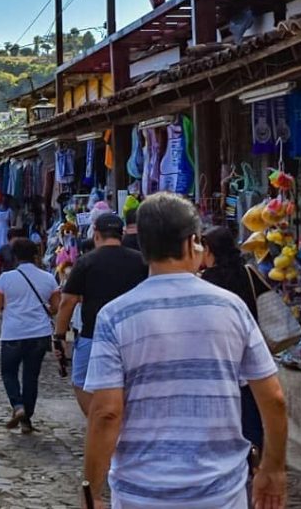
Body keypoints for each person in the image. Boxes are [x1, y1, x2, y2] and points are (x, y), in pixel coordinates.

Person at [82, 193, 287, 509]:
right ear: (192, 243)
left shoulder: (115, 316)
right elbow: (273, 398)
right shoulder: (231, 308)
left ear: (144, 248)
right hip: (220, 494)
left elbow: (106, 412)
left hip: (141, 494)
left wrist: (92, 491)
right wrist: (272, 467)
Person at [54, 213, 147, 416]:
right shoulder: (140, 261)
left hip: (93, 334)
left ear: (96, 235)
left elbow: (67, 302)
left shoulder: (85, 262)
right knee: (130, 384)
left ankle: (98, 420)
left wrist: (59, 336)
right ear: (121, 234)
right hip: (133, 335)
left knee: (81, 381)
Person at [201, 225, 266, 452]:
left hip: (219, 355)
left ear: (210, 250)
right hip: (248, 351)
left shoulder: (206, 281)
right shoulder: (248, 273)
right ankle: (255, 453)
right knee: (251, 410)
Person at [0, 238, 59, 434]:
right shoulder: (48, 278)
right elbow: (56, 307)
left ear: (15, 256)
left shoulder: (6, 278)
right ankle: (26, 420)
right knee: (31, 376)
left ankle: (18, 406)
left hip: (13, 333)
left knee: (9, 373)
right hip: (40, 334)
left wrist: (3, 309)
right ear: (35, 255)